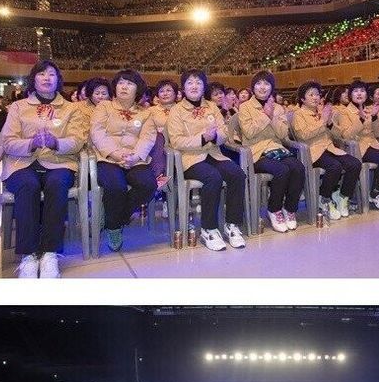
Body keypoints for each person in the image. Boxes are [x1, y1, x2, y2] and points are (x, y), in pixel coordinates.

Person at [0, 60, 88, 278]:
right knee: (28, 185)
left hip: (59, 162)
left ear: (58, 80)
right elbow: (7, 141)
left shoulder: (72, 108)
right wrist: (30, 143)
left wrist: (56, 142)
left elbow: (77, 140)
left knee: (57, 184)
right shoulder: (18, 107)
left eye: (51, 74)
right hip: (22, 163)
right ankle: (28, 255)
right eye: (41, 74)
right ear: (34, 79)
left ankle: (50, 253)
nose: (47, 78)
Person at [167, 70, 247, 251]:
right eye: (190, 83)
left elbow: (224, 131)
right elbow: (176, 140)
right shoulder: (176, 111)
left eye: (198, 83)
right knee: (213, 178)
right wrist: (203, 138)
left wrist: (216, 136)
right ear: (183, 88)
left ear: (204, 87)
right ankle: (208, 229)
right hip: (191, 159)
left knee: (237, 174)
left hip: (214, 153)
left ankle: (232, 224)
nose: (194, 86)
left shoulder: (211, 106)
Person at [90, 69, 159, 251]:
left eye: (129, 83)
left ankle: (115, 219)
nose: (124, 87)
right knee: (116, 186)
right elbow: (97, 132)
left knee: (148, 185)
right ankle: (114, 229)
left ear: (138, 89)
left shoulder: (146, 113)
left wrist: (135, 156)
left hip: (135, 159)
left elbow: (148, 138)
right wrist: (114, 153)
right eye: (121, 82)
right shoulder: (104, 107)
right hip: (108, 158)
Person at [238, 71, 305, 232]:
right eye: (259, 83)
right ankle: (274, 209)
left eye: (266, 84)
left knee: (298, 168)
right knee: (282, 170)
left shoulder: (278, 108)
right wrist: (265, 116)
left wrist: (272, 115)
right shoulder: (245, 107)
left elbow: (282, 134)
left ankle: (290, 209)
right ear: (253, 87)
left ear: (271, 87)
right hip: (257, 152)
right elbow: (249, 132)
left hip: (276, 148)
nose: (262, 87)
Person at [290, 81, 360, 221]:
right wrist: (322, 121)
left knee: (355, 164)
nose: (315, 97)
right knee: (335, 166)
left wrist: (330, 124)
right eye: (311, 95)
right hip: (313, 151)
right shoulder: (298, 114)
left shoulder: (321, 113)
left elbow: (336, 136)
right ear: (302, 98)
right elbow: (303, 135)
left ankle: (342, 197)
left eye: (317, 94)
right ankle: (324, 198)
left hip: (329, 148)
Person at [333, 80, 379, 211]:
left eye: (362, 91)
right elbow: (346, 135)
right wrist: (361, 119)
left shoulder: (369, 110)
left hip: (374, 145)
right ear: (350, 95)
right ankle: (375, 193)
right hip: (358, 148)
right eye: (355, 91)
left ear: (366, 95)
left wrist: (375, 117)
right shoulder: (344, 112)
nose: (359, 93)